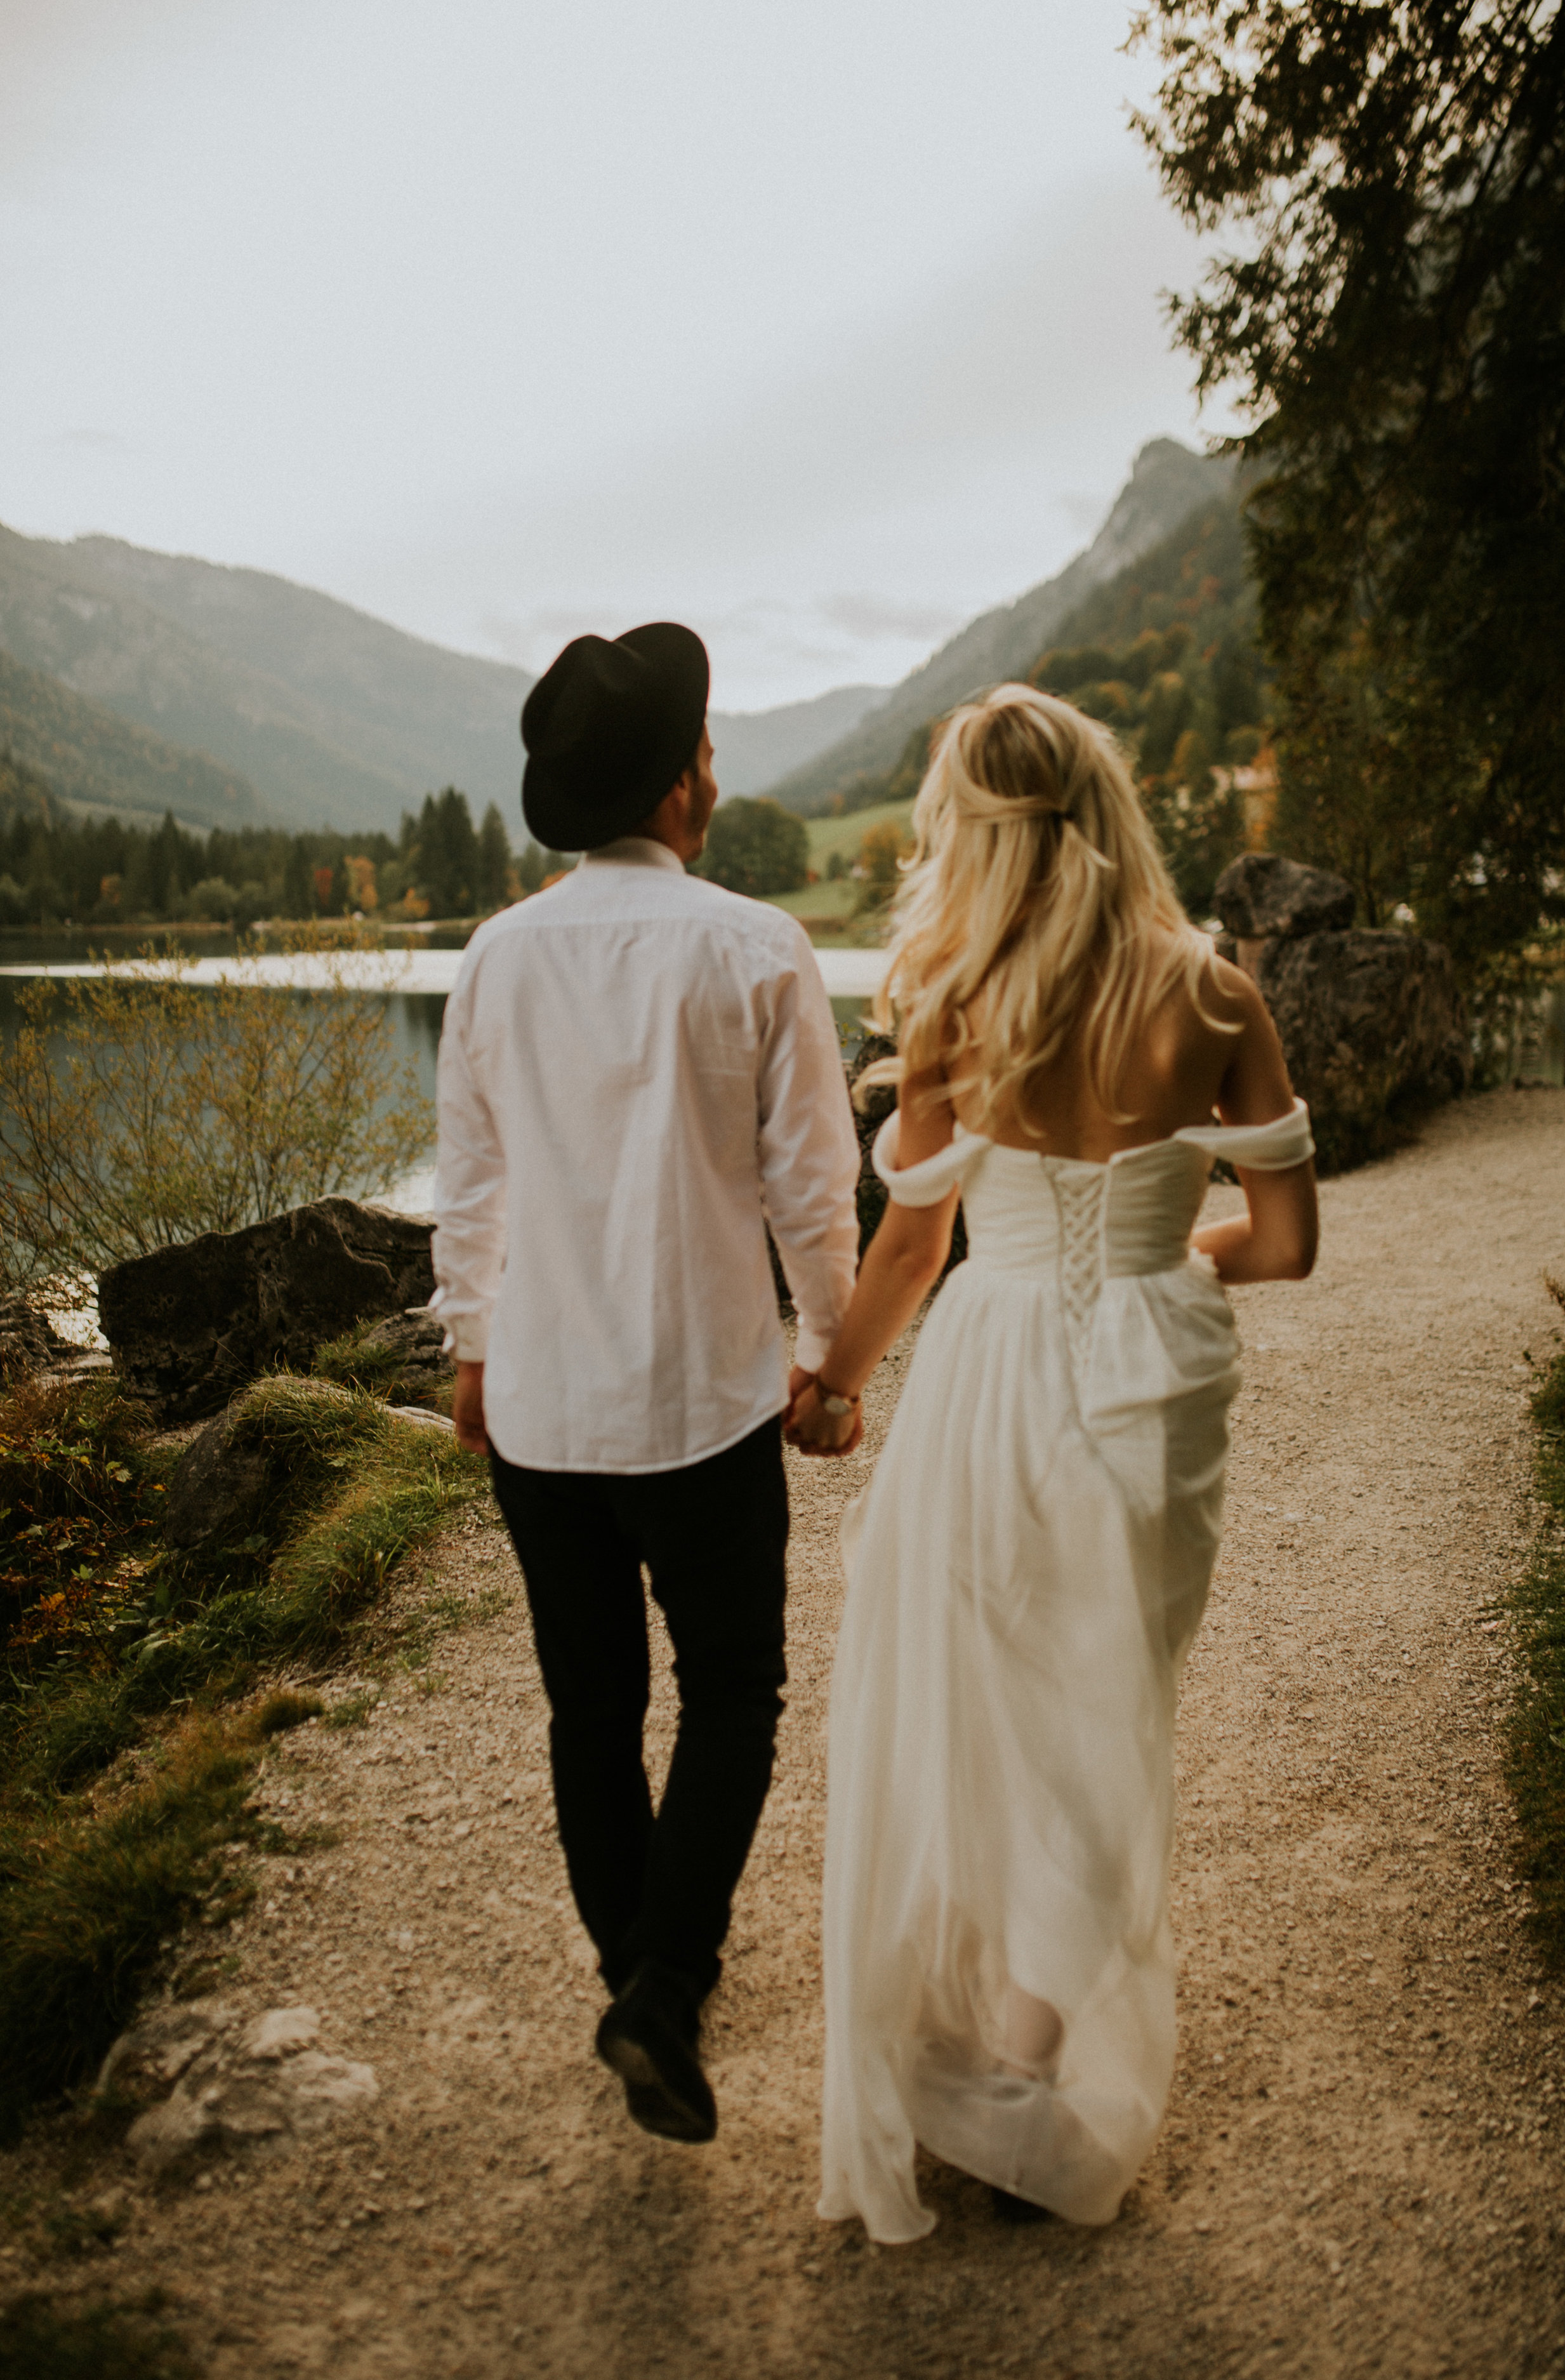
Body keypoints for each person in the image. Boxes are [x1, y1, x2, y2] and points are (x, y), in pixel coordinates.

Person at [785, 684, 1317, 2243]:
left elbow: (911, 1239)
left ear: (973, 831)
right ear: (1109, 811)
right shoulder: (1216, 996)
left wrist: (833, 1384)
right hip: (1156, 1371)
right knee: (1106, 1702)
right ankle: (1023, 2060)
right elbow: (1281, 1246)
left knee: (981, 1696)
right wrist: (1167, 1255)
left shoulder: (950, 997)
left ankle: (982, 2058)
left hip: (989, 1370)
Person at [430, 623, 859, 2147]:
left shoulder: (494, 954)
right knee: (732, 1689)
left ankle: (635, 1972)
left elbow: (467, 1182)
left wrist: (468, 1346)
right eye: (708, 753)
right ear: (682, 788)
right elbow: (816, 1185)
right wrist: (828, 1355)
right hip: (705, 1400)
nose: (714, 773)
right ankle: (661, 1988)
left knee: (589, 1708)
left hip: (542, 1408)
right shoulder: (753, 946)